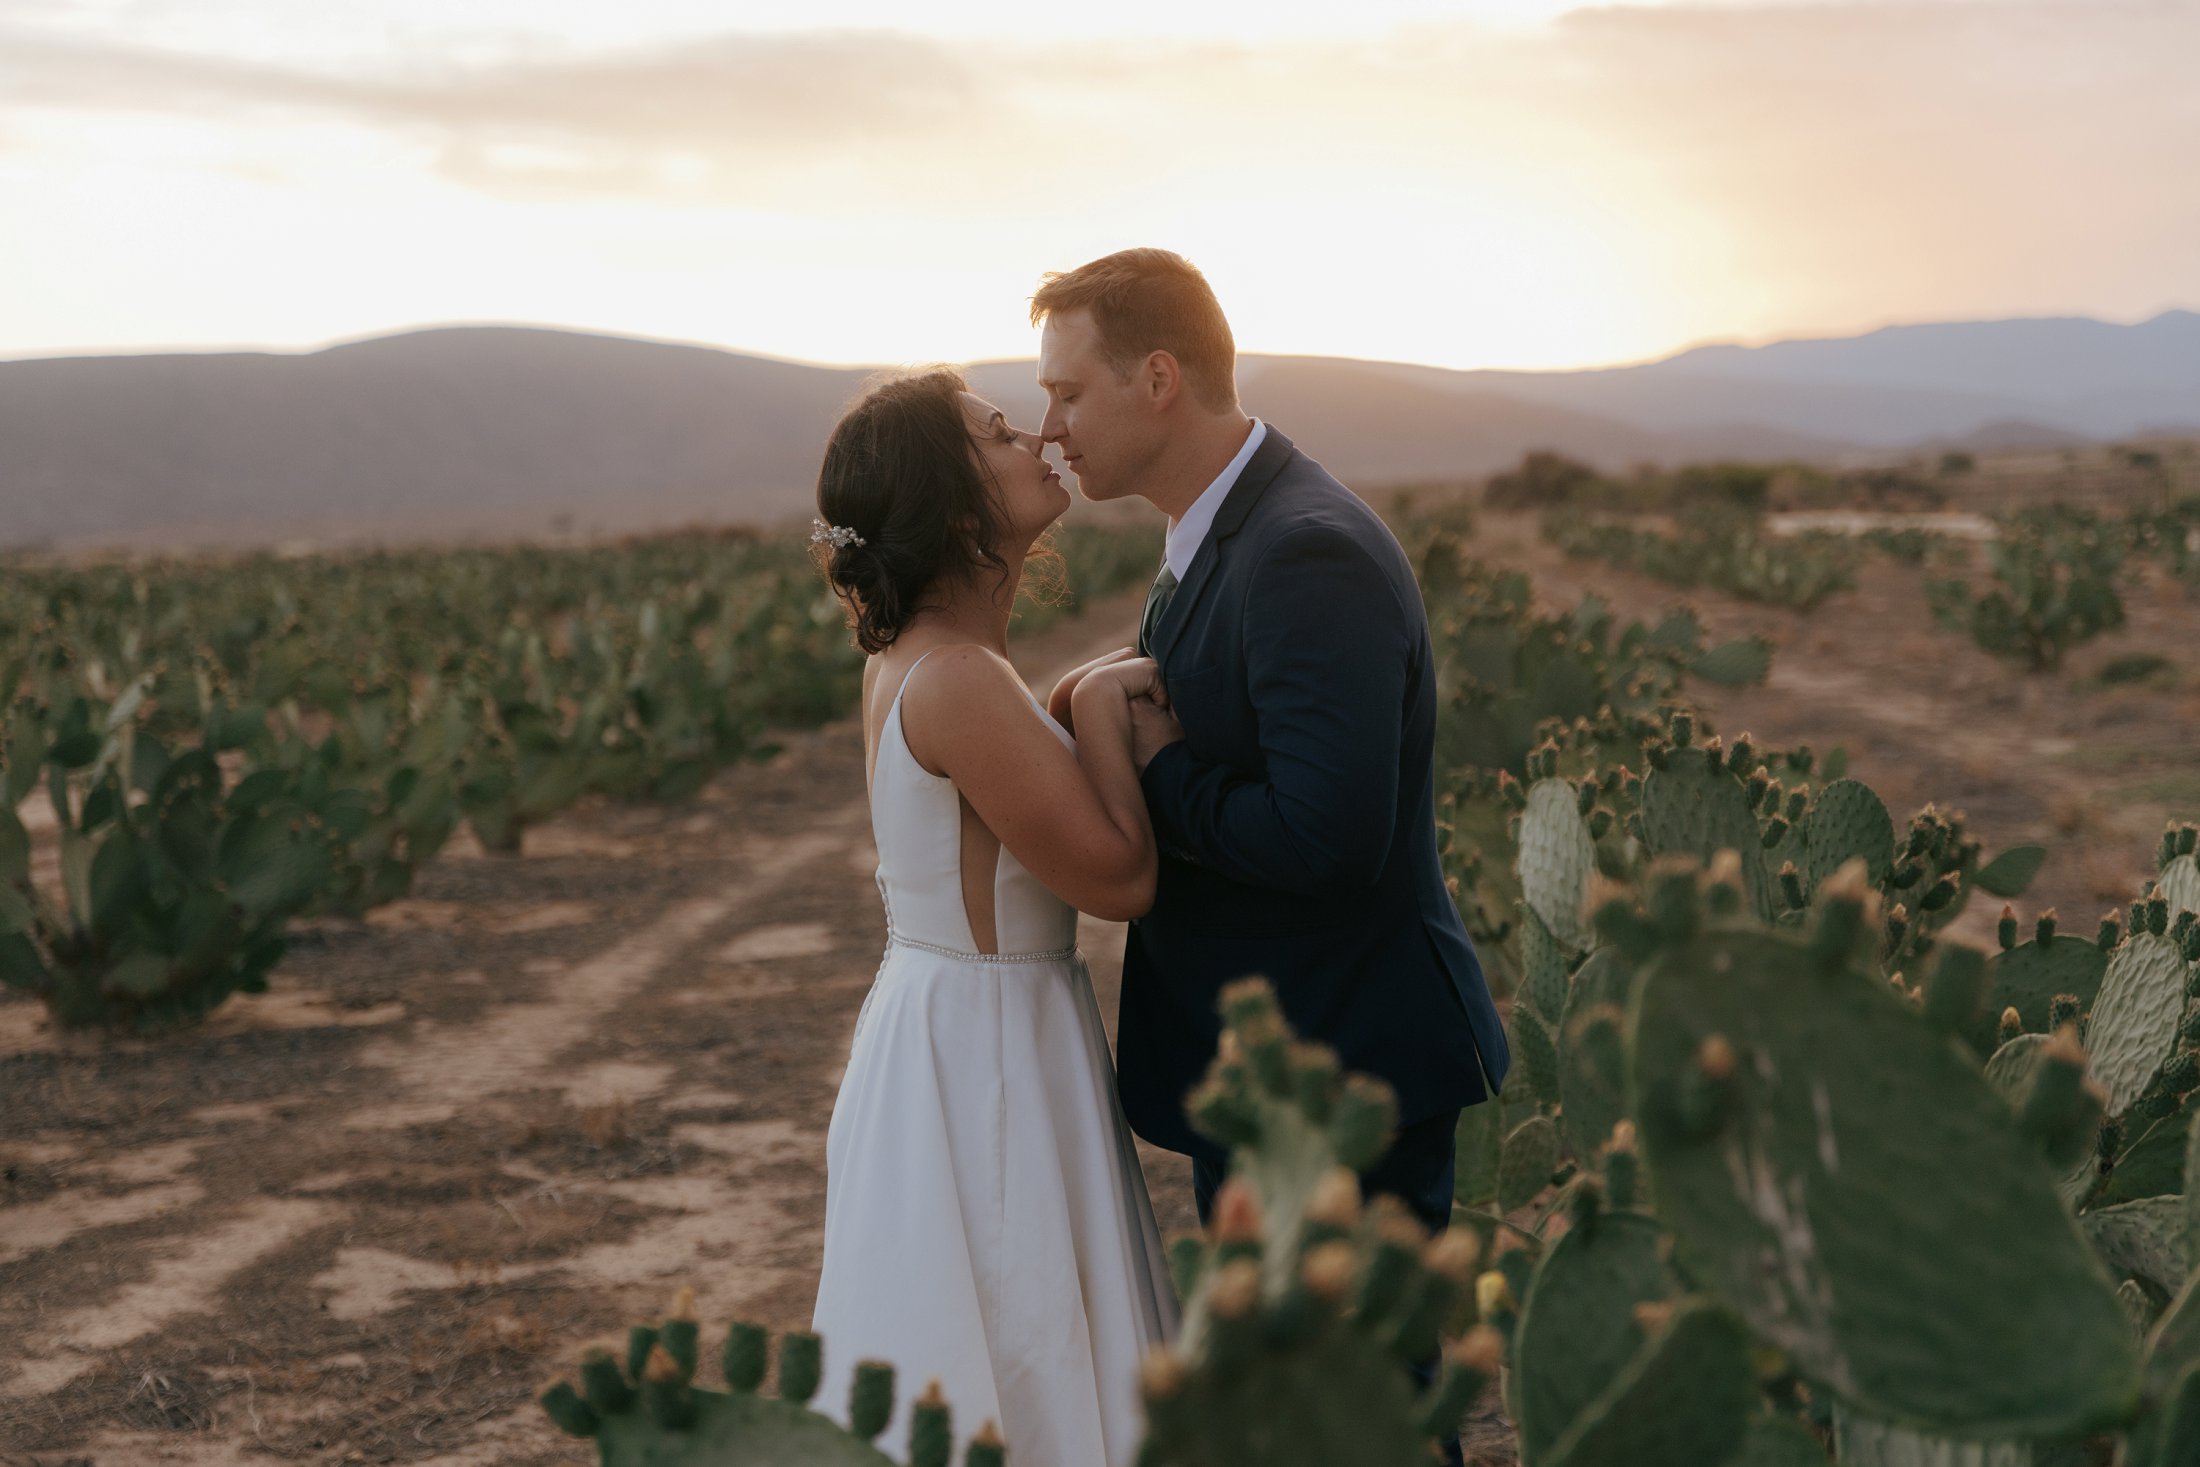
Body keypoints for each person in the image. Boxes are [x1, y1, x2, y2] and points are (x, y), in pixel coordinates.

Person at [1037, 248, 1511, 1467]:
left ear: (1156, 379)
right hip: (1285, 1069)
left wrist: (1153, 771)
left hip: (1344, 1068)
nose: (1051, 429)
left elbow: (1327, 837)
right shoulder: (1222, 533)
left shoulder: (1304, 550)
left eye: (1069, 394)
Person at [808, 368, 1178, 1467]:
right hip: (990, 1051)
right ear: (950, 498)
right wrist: (1104, 709)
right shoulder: (963, 676)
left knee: (1000, 1342)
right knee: (1023, 1340)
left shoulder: (919, 662)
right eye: (998, 432)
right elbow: (1116, 879)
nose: (1034, 438)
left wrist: (1062, 701)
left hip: (949, 1026)